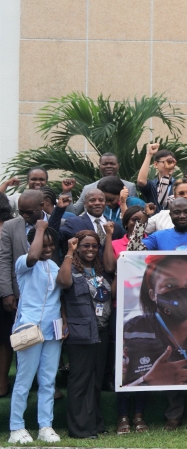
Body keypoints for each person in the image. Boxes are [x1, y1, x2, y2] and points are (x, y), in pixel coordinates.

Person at [122, 255, 187, 432]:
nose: (182, 292)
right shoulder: (132, 331)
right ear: (152, 294)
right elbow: (121, 380)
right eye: (170, 286)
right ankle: (173, 415)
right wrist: (146, 380)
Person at [6, 221, 63, 444]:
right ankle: (16, 428)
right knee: (24, 380)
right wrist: (39, 229)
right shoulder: (24, 263)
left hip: (52, 331)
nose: (47, 250)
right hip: (29, 329)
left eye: (51, 246)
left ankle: (45, 426)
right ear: (33, 244)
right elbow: (32, 257)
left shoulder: (55, 267)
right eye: (43, 245)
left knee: (48, 380)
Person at [58, 226, 116, 438]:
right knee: (80, 379)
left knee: (95, 380)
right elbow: (63, 283)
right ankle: (79, 428)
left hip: (100, 331)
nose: (90, 249)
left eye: (94, 246)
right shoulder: (70, 268)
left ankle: (94, 423)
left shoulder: (101, 271)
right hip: (79, 332)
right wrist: (69, 252)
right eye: (85, 246)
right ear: (78, 247)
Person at [0, 190, 46, 403]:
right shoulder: (10, 226)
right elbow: (4, 260)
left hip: (48, 294)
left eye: (29, 212)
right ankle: (23, 386)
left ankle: (45, 383)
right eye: (22, 212)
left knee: (47, 340)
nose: (25, 216)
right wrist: (7, 292)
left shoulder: (54, 222)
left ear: (42, 206)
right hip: (19, 294)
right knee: (22, 339)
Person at [59, 188, 126, 257]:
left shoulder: (116, 227)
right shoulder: (73, 222)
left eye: (101, 200)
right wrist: (59, 210)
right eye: (92, 200)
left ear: (105, 203)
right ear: (85, 204)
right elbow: (54, 235)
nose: (97, 203)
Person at [70, 153, 137, 215]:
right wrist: (67, 192)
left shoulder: (129, 187)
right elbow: (75, 212)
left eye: (112, 163)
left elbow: (134, 212)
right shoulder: (88, 188)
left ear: (118, 166)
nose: (108, 166)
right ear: (99, 167)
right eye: (105, 164)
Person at [136, 143, 178, 211]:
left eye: (171, 162)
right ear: (156, 164)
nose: (169, 165)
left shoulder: (179, 185)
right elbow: (141, 181)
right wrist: (149, 154)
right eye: (166, 162)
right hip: (155, 220)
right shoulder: (152, 185)